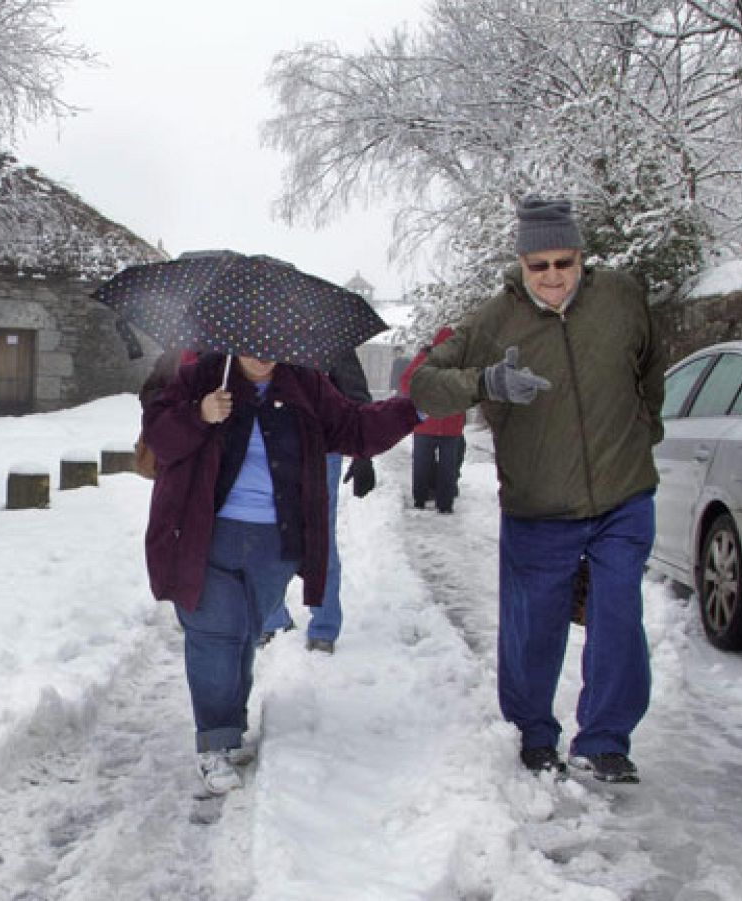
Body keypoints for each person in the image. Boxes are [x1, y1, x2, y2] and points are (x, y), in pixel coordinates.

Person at [407, 196, 666, 785]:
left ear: (581, 258)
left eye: (564, 263)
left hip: (624, 492)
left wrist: (646, 428)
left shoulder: (622, 297)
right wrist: (486, 381)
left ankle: (605, 739)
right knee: (535, 624)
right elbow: (422, 383)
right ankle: (533, 732)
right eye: (539, 265)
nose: (552, 276)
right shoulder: (492, 320)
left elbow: (651, 369)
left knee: (619, 614)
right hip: (538, 502)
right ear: (521, 265)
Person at [142, 352, 417, 795]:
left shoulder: (306, 385)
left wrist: (417, 405)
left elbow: (356, 429)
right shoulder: (200, 378)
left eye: (272, 343)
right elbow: (159, 438)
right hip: (205, 534)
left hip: (278, 542)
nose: (263, 352)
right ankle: (215, 741)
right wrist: (199, 414)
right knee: (214, 635)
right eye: (252, 341)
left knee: (244, 633)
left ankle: (228, 723)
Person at [259, 347, 374, 653]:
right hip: (267, 450)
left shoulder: (323, 339)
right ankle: (273, 619)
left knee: (318, 536)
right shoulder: (258, 337)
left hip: (320, 451)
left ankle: (321, 626)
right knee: (269, 532)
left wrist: (364, 454)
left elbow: (354, 394)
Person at [399, 327, 466, 514]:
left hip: (438, 425)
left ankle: (431, 502)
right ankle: (436, 503)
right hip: (432, 424)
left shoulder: (459, 362)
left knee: (437, 465)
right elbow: (406, 381)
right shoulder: (427, 359)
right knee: (441, 466)